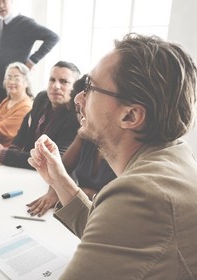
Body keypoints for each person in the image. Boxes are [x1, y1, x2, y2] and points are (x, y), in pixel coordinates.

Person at [28, 33, 197, 279]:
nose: (78, 98)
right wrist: (60, 180)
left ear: (130, 116)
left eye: (90, 88)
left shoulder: (142, 194)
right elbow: (113, 233)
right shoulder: (174, 156)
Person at [27, 76, 116, 216]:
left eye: (84, 109)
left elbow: (116, 200)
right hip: (83, 212)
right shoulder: (84, 134)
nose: (80, 117)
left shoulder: (124, 146)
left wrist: (80, 191)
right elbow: (62, 168)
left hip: (105, 215)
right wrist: (54, 191)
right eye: (77, 111)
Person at [0, 61, 80, 170]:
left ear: (75, 88)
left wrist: (5, 154)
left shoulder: (76, 117)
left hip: (50, 179)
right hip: (26, 170)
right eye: (52, 80)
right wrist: (13, 149)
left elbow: (54, 160)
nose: (56, 86)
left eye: (63, 81)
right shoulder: (42, 98)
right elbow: (24, 130)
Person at [0, 0, 59, 107]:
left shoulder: (25, 23)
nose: (0, 6)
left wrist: (32, 61)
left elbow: (53, 38)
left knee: (12, 121)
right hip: (0, 84)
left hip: (16, 85)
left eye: (4, 1)